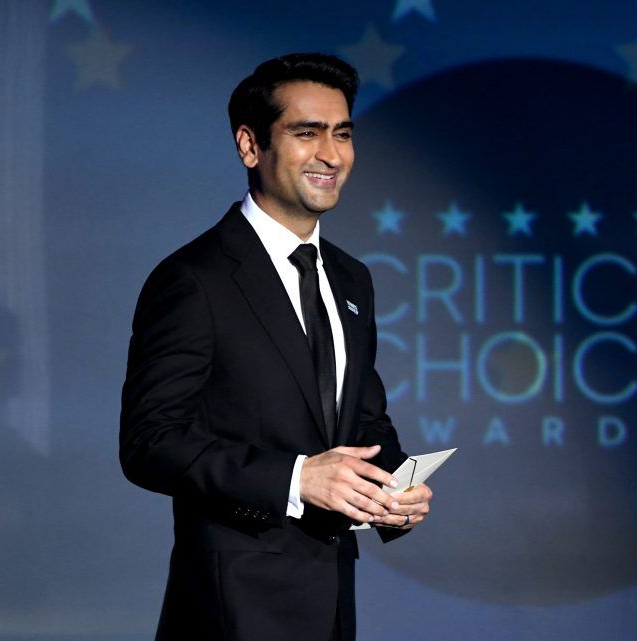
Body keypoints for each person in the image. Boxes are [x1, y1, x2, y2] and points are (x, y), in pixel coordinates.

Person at [119, 53, 432, 641]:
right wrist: (296, 479)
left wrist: (394, 489)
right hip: (232, 606)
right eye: (305, 133)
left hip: (332, 600)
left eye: (342, 134)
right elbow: (149, 443)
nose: (331, 155)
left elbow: (363, 421)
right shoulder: (194, 279)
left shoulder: (351, 277)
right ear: (250, 145)